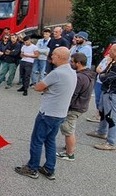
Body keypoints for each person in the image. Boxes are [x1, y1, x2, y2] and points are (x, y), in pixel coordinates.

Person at [15, 47, 76, 180]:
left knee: (37, 141)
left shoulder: (57, 73)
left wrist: (46, 88)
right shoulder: (72, 72)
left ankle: (32, 168)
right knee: (50, 141)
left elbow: (38, 87)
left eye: (53, 55)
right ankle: (49, 168)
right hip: (60, 113)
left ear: (60, 57)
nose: (51, 56)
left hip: (48, 113)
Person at [86, 43, 116, 151]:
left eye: (111, 50)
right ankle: (101, 132)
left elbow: (105, 77)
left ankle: (111, 143)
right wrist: (103, 74)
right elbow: (104, 73)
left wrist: (102, 75)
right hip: (106, 91)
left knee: (111, 117)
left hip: (113, 93)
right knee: (102, 111)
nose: (109, 51)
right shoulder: (114, 61)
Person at [56, 52, 96, 161]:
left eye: (72, 61)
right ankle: (69, 146)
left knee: (68, 130)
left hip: (75, 107)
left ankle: (69, 153)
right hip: (81, 106)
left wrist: (64, 106)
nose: (70, 63)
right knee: (69, 129)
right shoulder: (89, 74)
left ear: (78, 63)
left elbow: (73, 94)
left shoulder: (79, 77)